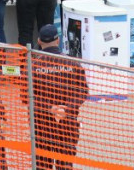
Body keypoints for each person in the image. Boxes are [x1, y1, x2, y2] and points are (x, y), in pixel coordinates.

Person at [31, 23, 89, 170]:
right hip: (67, 123)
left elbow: (27, 96)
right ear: (58, 40)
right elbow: (82, 91)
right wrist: (66, 109)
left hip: (42, 125)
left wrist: (50, 108)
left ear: (39, 41)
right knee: (65, 164)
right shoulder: (73, 63)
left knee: (43, 164)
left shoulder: (33, 65)